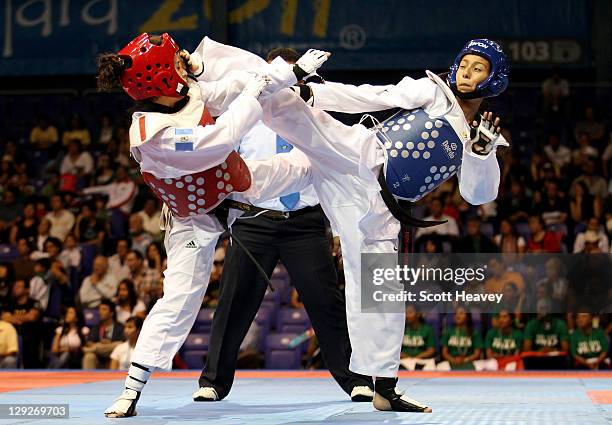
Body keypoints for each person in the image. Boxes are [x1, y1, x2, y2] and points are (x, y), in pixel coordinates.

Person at [208, 37, 509, 411]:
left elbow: (478, 195)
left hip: (379, 206)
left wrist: (482, 153)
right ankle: (207, 75)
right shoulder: (434, 91)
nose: (466, 72)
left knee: (382, 290)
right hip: (360, 154)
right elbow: (375, 96)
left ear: (494, 78)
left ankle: (385, 386)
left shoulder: (482, 135)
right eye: (465, 64)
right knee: (294, 110)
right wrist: (315, 93)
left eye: (477, 68)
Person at [97, 32, 329, 417]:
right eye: (172, 64)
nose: (180, 67)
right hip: (193, 218)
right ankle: (132, 388)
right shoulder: (153, 135)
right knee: (181, 298)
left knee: (313, 166)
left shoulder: (187, 91)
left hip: (236, 186)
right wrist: (258, 87)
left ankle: (374, 154)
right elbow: (220, 137)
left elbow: (232, 88)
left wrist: (290, 74)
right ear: (158, 79)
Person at [194, 47, 374, 404]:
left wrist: (339, 230)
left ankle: (355, 378)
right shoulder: (243, 110)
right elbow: (224, 161)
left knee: (326, 302)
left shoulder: (317, 113)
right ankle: (213, 381)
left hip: (305, 224)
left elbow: (336, 170)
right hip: (253, 220)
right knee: (234, 301)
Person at [82, 299, 125, 369]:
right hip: (99, 358)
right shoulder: (96, 327)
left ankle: (96, 348)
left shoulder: (120, 327)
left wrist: (109, 344)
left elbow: (123, 344)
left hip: (114, 355)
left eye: (104, 309)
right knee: (89, 356)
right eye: (100, 309)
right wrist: (101, 345)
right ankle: (88, 379)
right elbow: (89, 342)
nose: (100, 312)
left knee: (118, 345)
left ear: (111, 313)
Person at [400, 305, 436, 371]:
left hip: (421, 361)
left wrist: (417, 357)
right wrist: (408, 357)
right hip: (404, 361)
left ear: (418, 314)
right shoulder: (401, 329)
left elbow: (431, 350)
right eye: (406, 313)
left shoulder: (427, 329)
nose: (407, 315)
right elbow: (396, 350)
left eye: (410, 313)